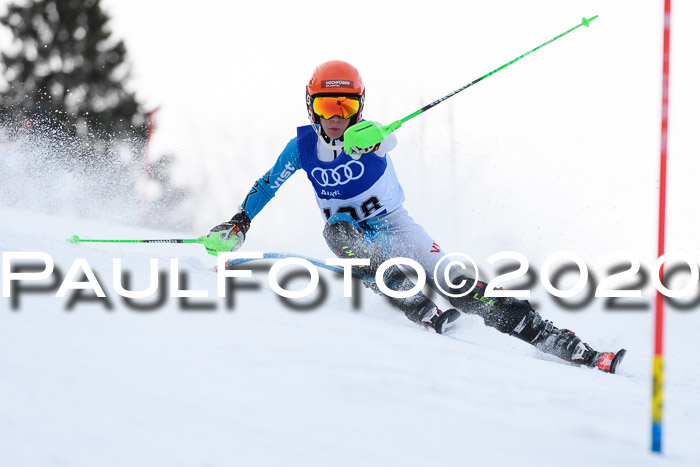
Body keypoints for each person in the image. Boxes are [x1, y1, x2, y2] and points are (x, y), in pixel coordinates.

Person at [209, 60, 625, 373]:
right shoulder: (300, 148)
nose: (336, 116)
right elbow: (268, 184)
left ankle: (559, 340)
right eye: (325, 105)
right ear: (311, 106)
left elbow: (387, 138)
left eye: (345, 104)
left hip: (396, 226)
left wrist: (372, 138)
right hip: (351, 236)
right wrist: (240, 222)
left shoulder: (367, 134)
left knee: (460, 285)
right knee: (338, 231)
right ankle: (416, 305)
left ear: (359, 106)